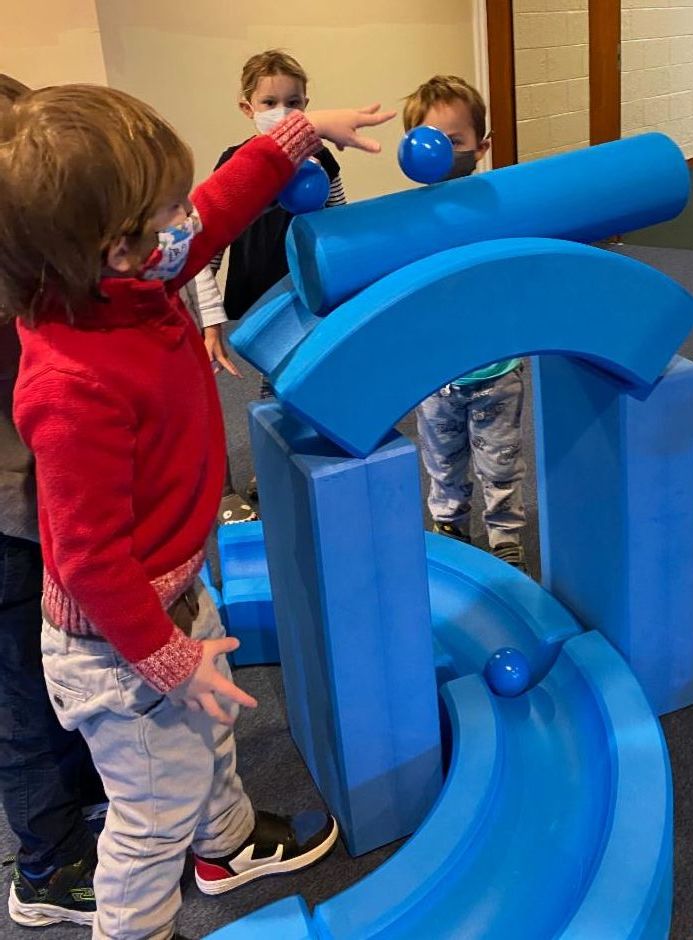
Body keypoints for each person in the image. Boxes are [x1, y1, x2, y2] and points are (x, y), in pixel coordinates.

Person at [2, 83, 392, 940]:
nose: (189, 219)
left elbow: (217, 209)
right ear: (114, 246)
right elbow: (90, 562)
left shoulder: (133, 279)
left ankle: (227, 848)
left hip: (173, 592)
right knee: (152, 817)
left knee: (208, 746)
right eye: (167, 211)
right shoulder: (70, 382)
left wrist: (299, 135)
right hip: (118, 645)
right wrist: (169, 662)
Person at [0, 72, 105, 929]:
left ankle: (82, 800)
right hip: (5, 522)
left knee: (49, 665)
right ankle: (45, 866)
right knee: (20, 703)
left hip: (32, 508)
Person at [212, 49, 347, 518]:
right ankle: (274, 463)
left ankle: (296, 456)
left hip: (305, 287)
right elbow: (215, 231)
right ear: (247, 107)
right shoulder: (235, 162)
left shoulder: (321, 158)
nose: (282, 112)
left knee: (303, 373)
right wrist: (206, 304)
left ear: (307, 105)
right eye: (270, 103)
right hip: (259, 289)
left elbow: (339, 219)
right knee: (275, 379)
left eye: (293, 102)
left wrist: (348, 279)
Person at [403, 75, 528, 572]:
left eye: (454, 141)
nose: (441, 152)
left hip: (496, 371)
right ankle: (450, 527)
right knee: (441, 462)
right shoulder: (406, 219)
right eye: (429, 141)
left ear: (482, 147)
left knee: (501, 462)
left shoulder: (497, 206)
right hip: (435, 375)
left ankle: (505, 538)